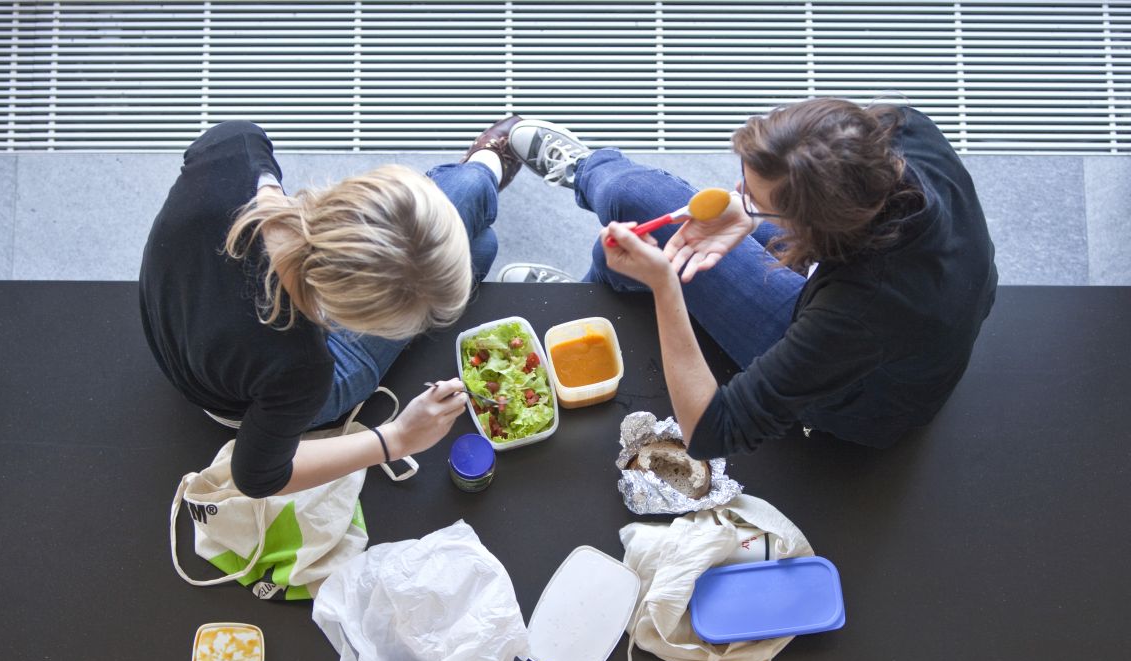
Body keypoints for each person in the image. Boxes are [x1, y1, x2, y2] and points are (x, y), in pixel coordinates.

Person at [500, 100, 998, 456]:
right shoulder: (900, 131)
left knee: (643, 230)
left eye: (761, 201)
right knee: (634, 216)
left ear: (814, 228)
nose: (738, 192)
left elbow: (711, 432)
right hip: (927, 309)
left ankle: (594, 278)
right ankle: (590, 190)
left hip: (863, 398)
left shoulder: (859, 311)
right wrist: (749, 212)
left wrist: (666, 288)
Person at [139, 116, 525, 498]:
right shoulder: (304, 369)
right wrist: (396, 437)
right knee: (480, 243)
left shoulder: (235, 146)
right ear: (353, 324)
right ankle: (485, 169)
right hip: (228, 396)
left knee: (473, 221)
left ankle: (483, 169)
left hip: (172, 315)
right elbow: (256, 476)